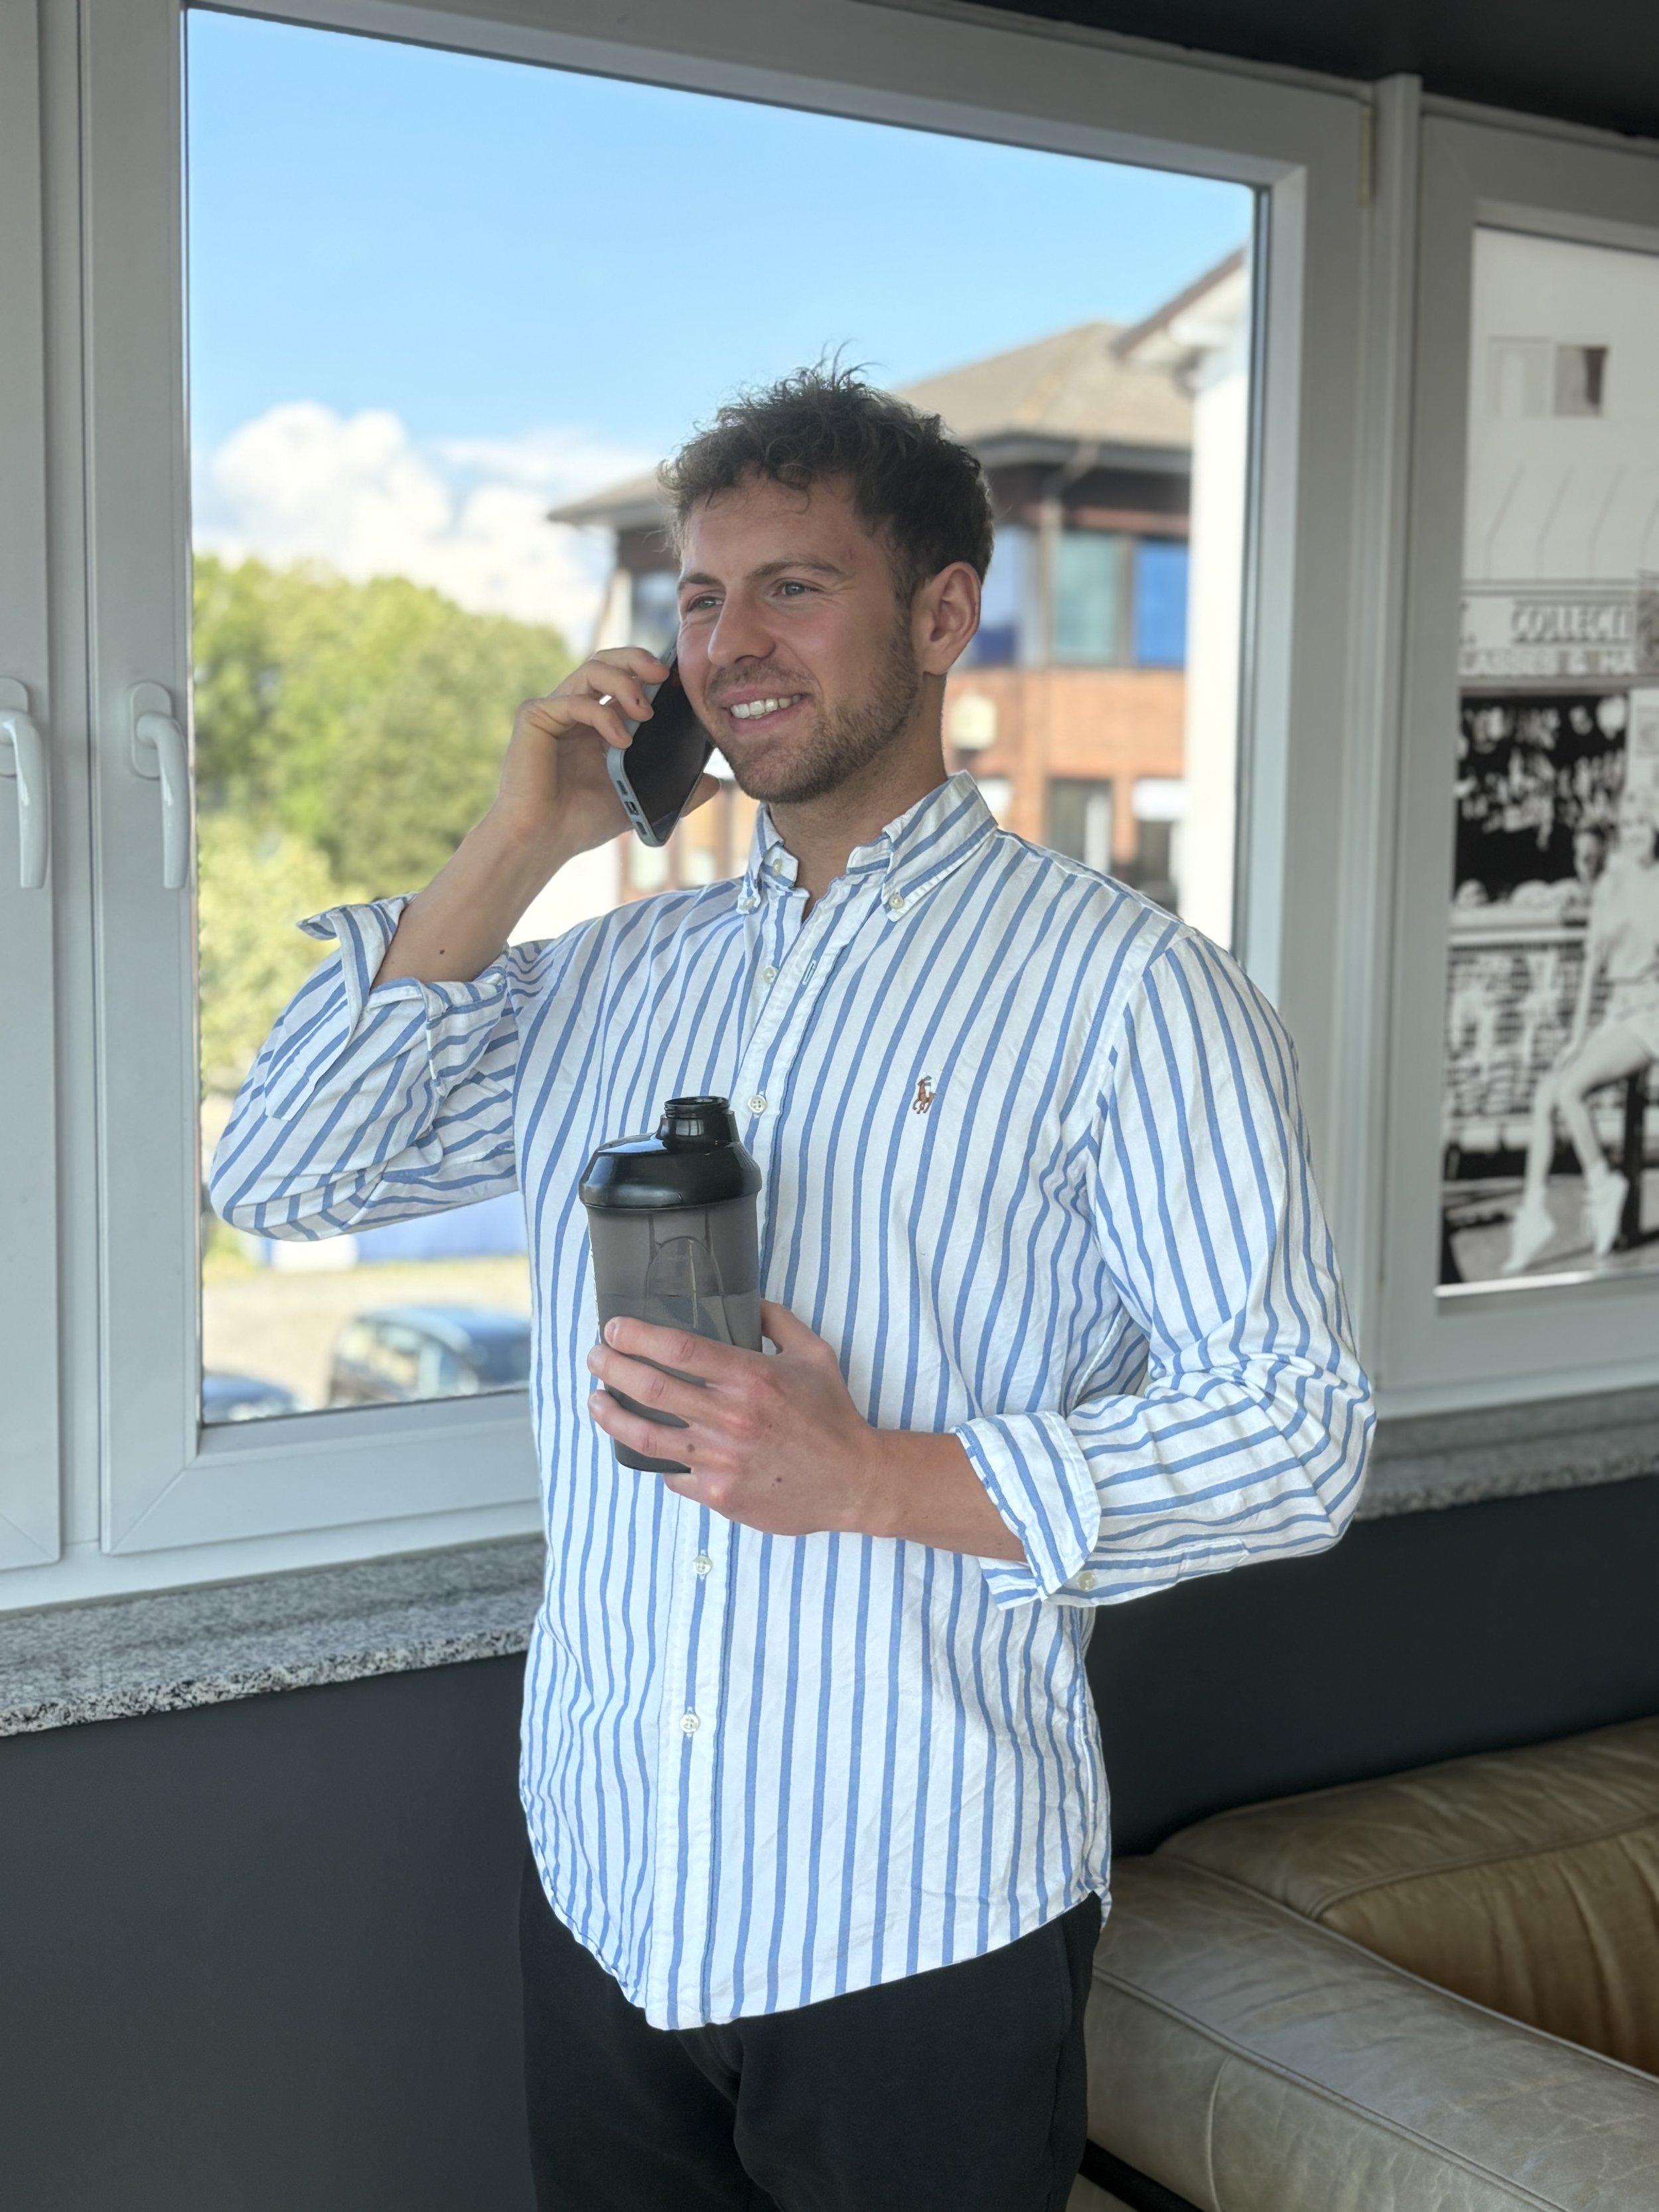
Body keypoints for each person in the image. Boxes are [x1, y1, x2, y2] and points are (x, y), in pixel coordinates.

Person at [212, 368, 1373, 2212]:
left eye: (791, 588)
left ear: (937, 611)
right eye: (697, 595)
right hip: (608, 1877)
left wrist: (873, 1476)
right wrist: (518, 840)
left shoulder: (1131, 991)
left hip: (910, 1912)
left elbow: (1294, 1433)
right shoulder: (614, 972)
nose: (729, 641)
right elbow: (284, 1174)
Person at [1505, 788, 1659, 1274]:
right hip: (1616, 1011)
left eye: (1644, 823)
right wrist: (1577, 1034)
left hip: (1651, 1012)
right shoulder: (1611, 883)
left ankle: (1602, 1183)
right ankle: (1533, 1216)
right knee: (1546, 1095)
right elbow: (1593, 964)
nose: (1635, 833)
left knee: (1571, 1090)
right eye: (1629, 824)